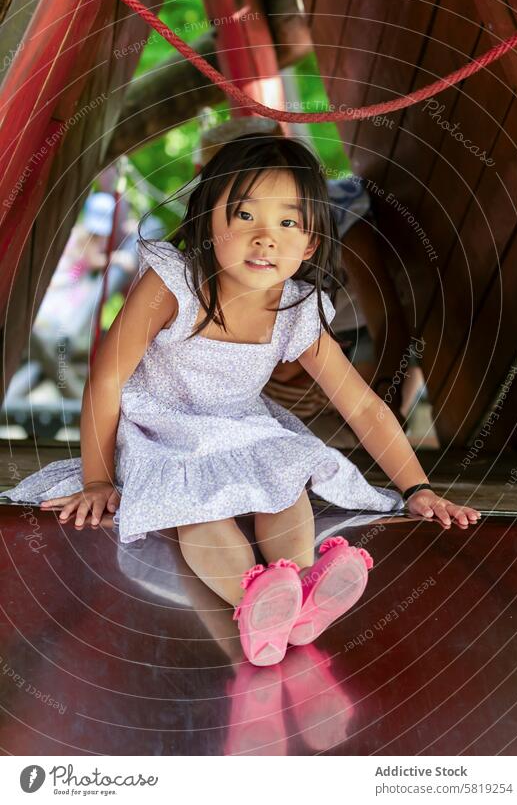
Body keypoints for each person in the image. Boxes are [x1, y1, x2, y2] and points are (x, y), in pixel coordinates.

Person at [1, 134, 480, 667]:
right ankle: (253, 600)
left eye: (288, 223)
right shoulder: (173, 282)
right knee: (200, 512)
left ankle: (297, 592)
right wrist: (97, 479)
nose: (265, 239)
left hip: (243, 428)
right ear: (209, 222)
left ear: (311, 244)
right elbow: (107, 382)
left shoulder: (297, 309)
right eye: (245, 215)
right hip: (163, 432)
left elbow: (361, 405)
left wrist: (417, 487)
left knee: (285, 489)